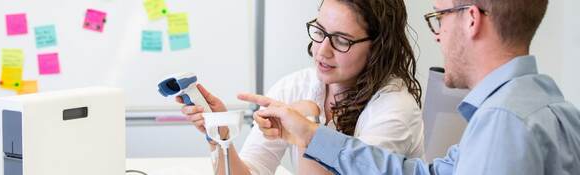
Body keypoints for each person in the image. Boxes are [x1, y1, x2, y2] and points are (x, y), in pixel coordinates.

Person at [244, 0, 580, 174]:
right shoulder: (550, 106)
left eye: (440, 16)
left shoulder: (503, 123)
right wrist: (310, 135)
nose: (438, 34)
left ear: (472, 19)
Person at [177, 0, 426, 174]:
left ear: (378, 47)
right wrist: (220, 137)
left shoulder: (394, 110)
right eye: (319, 31)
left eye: (341, 40)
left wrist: (308, 121)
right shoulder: (295, 87)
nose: (322, 50)